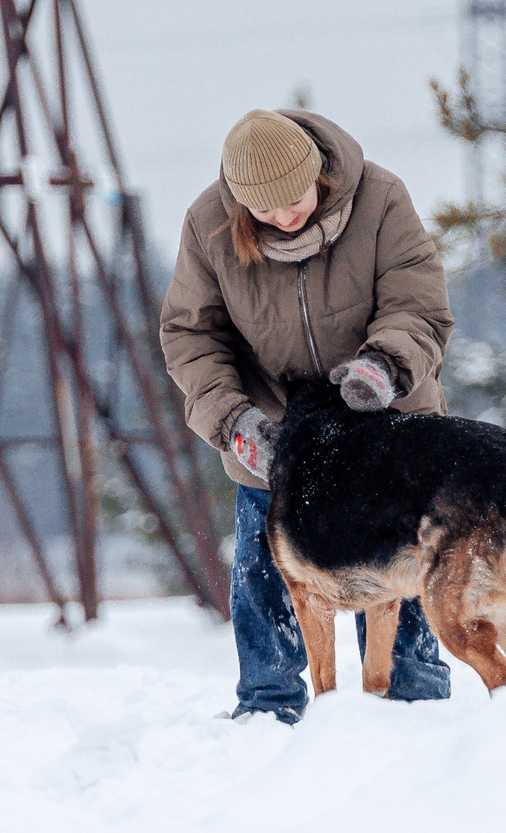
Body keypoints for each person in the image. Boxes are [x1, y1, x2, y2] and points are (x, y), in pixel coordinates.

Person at [160, 108, 454, 723]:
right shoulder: (208, 226)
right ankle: (269, 705)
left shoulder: (381, 199)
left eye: (294, 199)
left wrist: (385, 367)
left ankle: (413, 699)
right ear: (241, 205)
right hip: (276, 436)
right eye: (266, 210)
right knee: (265, 568)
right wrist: (233, 421)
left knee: (402, 563)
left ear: (318, 173)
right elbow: (191, 337)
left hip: (385, 423)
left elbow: (418, 303)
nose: (286, 217)